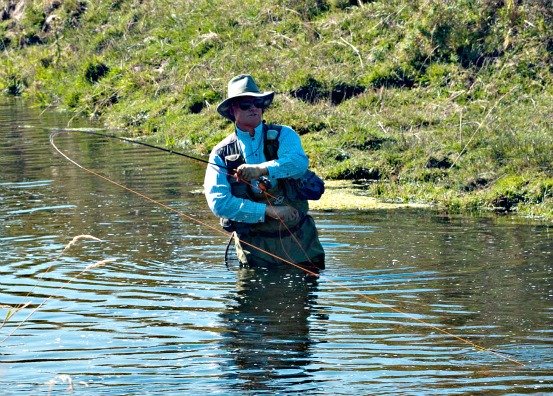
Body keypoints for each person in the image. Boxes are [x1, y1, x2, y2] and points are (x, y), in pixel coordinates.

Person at [204, 74, 325, 270]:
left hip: (301, 243)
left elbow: (297, 163)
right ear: (233, 111)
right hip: (255, 251)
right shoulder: (220, 153)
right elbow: (219, 203)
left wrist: (261, 169)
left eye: (257, 102)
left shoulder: (285, 135)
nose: (253, 107)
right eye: (245, 104)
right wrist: (269, 211)